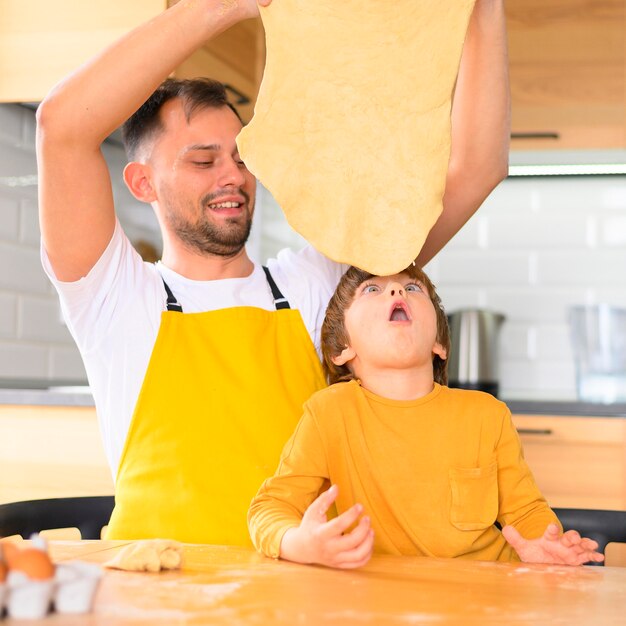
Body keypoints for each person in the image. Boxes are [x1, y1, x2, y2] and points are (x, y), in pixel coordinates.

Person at [36, 0, 510, 545]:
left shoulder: (317, 286)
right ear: (142, 183)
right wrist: (218, 8)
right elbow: (63, 125)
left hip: (306, 591)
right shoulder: (114, 296)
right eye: (202, 160)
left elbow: (477, 169)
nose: (232, 177)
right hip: (160, 594)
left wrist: (487, 10)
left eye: (241, 157)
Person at [248, 265, 605, 568]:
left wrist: (547, 546)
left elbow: (526, 513)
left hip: (484, 600)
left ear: (440, 343)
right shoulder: (329, 414)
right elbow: (271, 507)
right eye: (372, 288)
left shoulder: (486, 415)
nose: (395, 291)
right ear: (343, 348)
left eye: (412, 287)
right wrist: (297, 543)